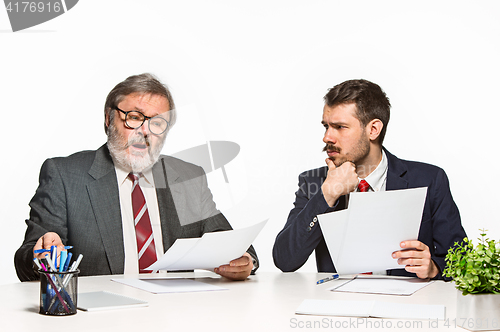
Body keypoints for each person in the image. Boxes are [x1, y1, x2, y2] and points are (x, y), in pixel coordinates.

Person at [15, 73, 258, 281]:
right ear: (109, 119)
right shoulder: (65, 175)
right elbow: (26, 260)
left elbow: (233, 244)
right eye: (134, 117)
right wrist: (42, 255)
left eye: (158, 123)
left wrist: (244, 261)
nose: (145, 131)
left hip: (176, 314)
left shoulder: (187, 178)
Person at [272, 79, 466, 279]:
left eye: (339, 127)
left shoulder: (429, 179)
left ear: (373, 130)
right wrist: (327, 195)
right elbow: (285, 260)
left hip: (405, 305)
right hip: (337, 305)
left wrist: (434, 267)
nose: (327, 137)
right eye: (326, 126)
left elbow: (462, 260)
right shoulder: (314, 182)